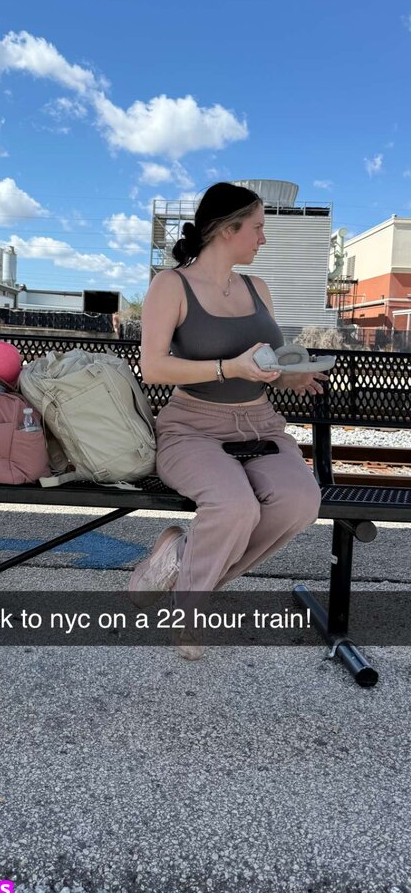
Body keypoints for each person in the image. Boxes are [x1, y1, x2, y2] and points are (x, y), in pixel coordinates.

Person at [128, 181, 325, 660]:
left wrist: (291, 376)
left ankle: (179, 562)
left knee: (301, 502)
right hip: (191, 427)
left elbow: (265, 364)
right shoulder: (170, 285)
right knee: (235, 507)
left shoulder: (258, 288)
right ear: (226, 229)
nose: (263, 238)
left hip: (260, 424)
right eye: (257, 228)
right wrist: (229, 368)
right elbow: (153, 367)